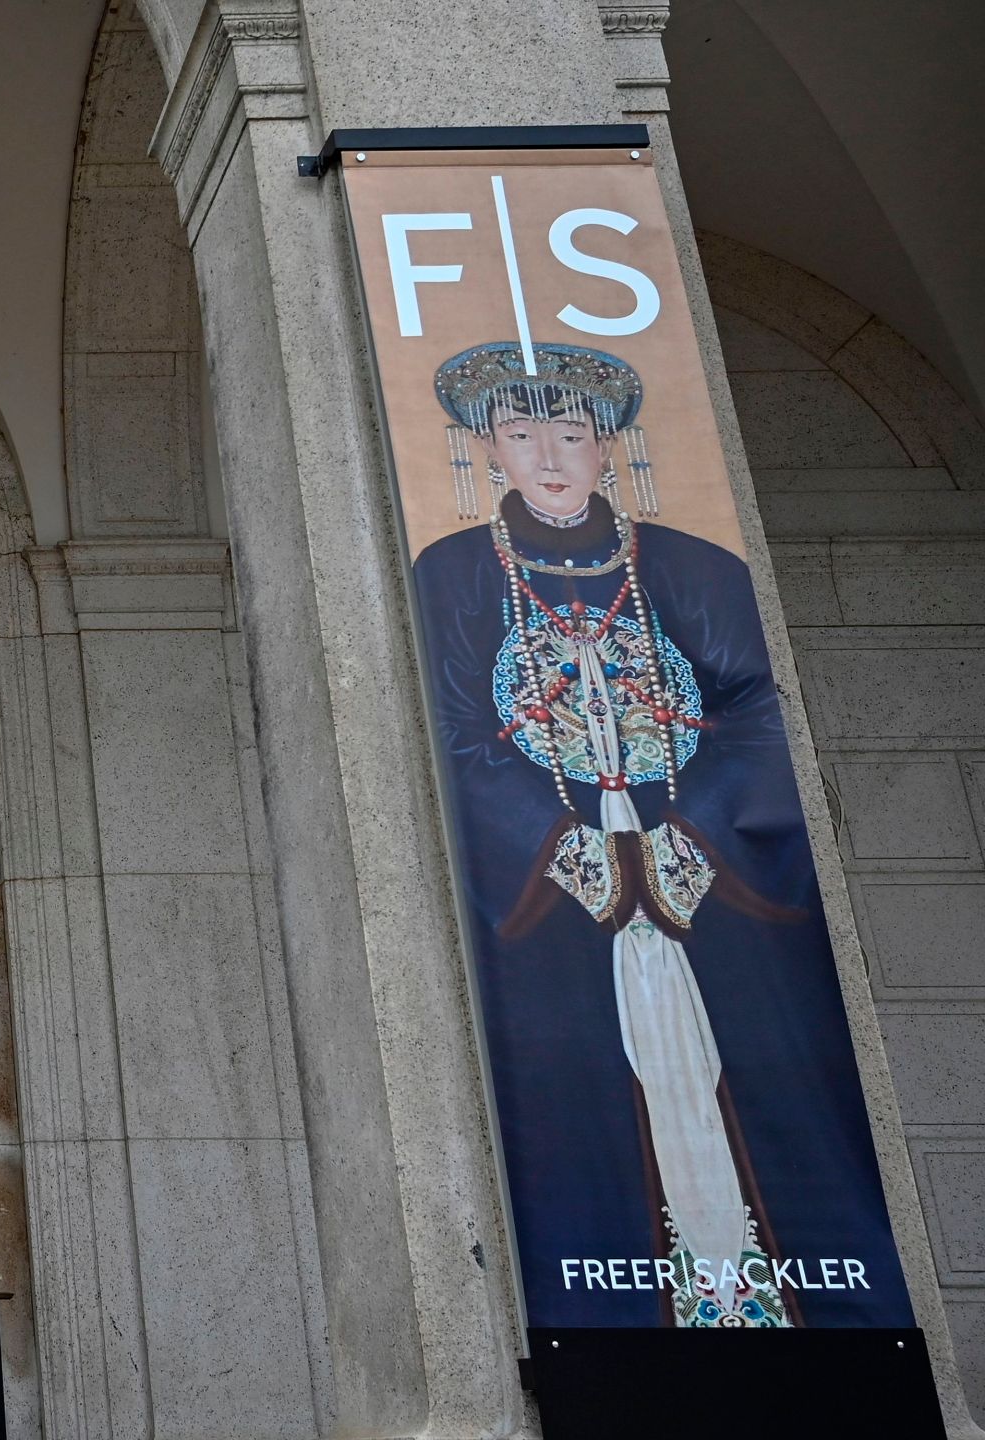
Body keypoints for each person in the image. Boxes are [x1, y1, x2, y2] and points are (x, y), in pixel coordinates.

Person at [409, 341, 910, 1329]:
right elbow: (453, 726)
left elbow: (755, 711)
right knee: (581, 1103)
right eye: (520, 433)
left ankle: (792, 1313)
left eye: (570, 432)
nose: (548, 456)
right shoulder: (454, 576)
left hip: (705, 872)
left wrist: (691, 838)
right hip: (553, 885)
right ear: (488, 450)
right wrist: (565, 846)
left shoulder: (692, 567)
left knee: (759, 1083)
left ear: (607, 449)